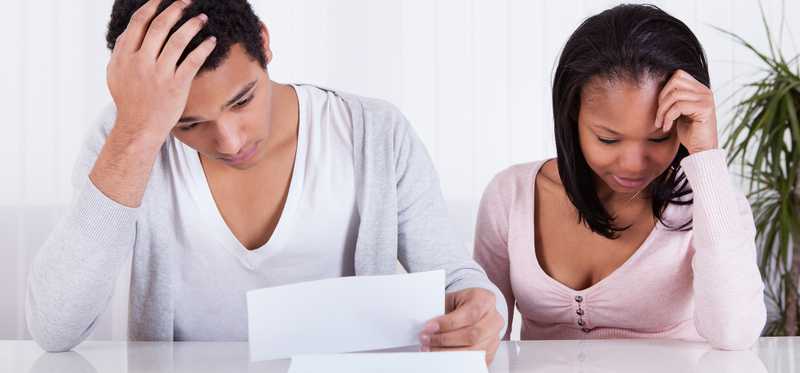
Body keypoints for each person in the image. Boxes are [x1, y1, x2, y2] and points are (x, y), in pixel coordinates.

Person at [26, 0, 505, 362]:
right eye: (189, 124)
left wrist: (485, 311)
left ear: (264, 41)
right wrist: (135, 135)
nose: (231, 142)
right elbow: (54, 328)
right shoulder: (126, 141)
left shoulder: (374, 133)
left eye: (242, 100)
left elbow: (460, 282)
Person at [474, 4, 765, 350]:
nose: (632, 164)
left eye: (658, 138)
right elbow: (484, 342)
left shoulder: (714, 203)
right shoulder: (510, 196)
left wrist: (705, 155)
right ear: (572, 118)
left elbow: (735, 334)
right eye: (608, 139)